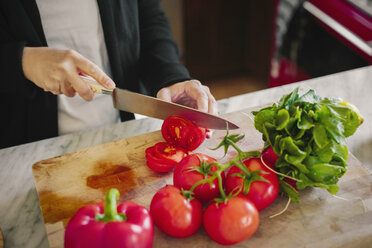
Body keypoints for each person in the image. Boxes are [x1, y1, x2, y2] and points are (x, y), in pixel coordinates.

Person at [0, 0, 217, 149]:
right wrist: (21, 61)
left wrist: (172, 77)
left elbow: (148, 18)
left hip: (121, 130)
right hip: (24, 147)